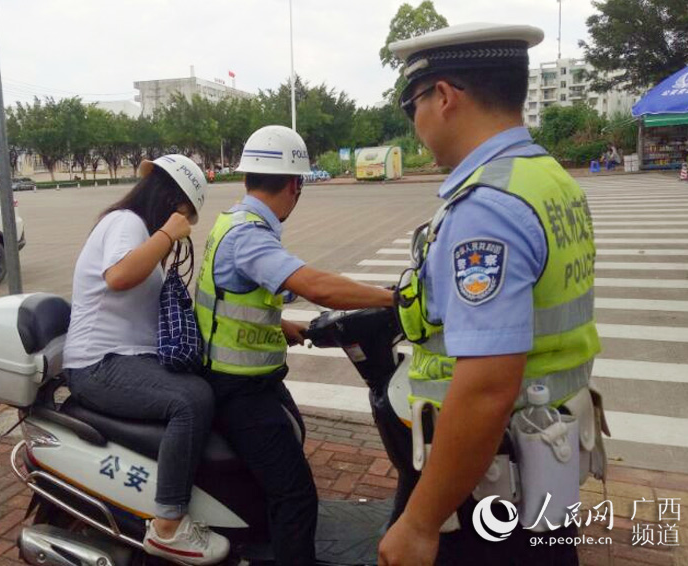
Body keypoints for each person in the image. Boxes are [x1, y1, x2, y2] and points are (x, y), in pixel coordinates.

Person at [378, 23, 602, 565]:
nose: (416, 122)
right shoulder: (548, 178)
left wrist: (420, 522)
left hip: (491, 495)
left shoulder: (486, 208)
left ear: (445, 97)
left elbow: (484, 389)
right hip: (546, 467)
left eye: (414, 104)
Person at [194, 125, 394, 565]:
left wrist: (281, 323)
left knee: (284, 459)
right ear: (294, 184)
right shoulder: (249, 234)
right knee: (297, 496)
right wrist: (394, 298)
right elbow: (316, 285)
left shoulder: (233, 220)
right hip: (240, 389)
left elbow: (238, 292)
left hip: (247, 378)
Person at [63, 154, 230, 565]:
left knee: (208, 384)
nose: (187, 224)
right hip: (97, 363)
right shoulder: (127, 223)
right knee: (189, 400)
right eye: (186, 215)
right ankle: (168, 526)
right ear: (172, 202)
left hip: (126, 357)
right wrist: (168, 234)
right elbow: (118, 276)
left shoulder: (139, 230)